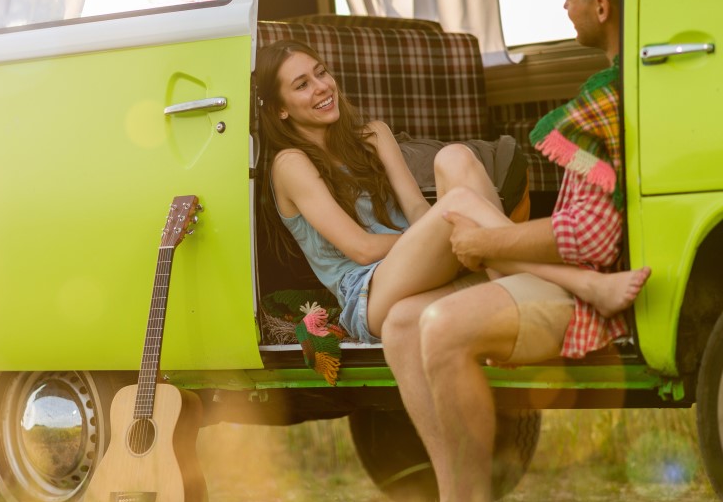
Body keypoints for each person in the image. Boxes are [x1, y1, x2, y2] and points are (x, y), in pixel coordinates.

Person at [381, 0, 650, 502]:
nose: (564, 6)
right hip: (568, 275)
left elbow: (588, 237)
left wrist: (489, 245)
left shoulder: (603, 104)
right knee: (399, 321)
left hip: (592, 294)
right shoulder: (609, 90)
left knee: (442, 320)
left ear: (600, 8)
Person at [255, 27, 646, 352]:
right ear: (280, 109)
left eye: (321, 73)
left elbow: (416, 210)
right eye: (302, 85)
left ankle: (506, 269)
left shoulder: (373, 135)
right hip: (370, 294)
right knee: (456, 207)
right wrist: (444, 232)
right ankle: (580, 281)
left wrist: (440, 231)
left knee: (454, 157)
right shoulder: (290, 165)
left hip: (419, 267)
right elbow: (359, 248)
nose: (322, 87)